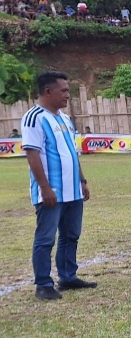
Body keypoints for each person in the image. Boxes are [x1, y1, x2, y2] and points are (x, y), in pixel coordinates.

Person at [21, 71, 96, 300]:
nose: (67, 95)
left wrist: (82, 180)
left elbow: (72, 153)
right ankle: (43, 284)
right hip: (51, 192)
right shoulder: (34, 117)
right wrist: (44, 188)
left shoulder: (64, 119)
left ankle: (68, 277)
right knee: (45, 238)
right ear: (48, 91)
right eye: (64, 91)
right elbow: (32, 154)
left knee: (71, 235)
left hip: (72, 190)